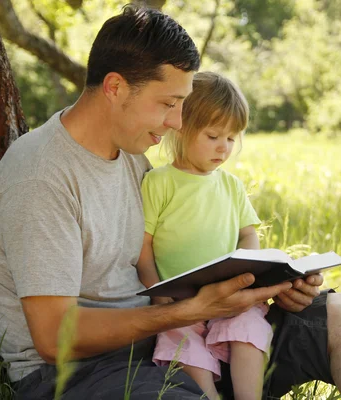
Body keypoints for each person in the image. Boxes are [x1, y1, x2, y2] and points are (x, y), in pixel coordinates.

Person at [0, 5, 341, 400]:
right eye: (168, 103)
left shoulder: (130, 156)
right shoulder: (40, 176)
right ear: (115, 87)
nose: (177, 123)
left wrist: (264, 285)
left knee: (334, 314)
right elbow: (54, 336)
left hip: (178, 335)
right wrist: (186, 312)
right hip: (81, 375)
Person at [136, 71, 271, 400]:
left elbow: (248, 235)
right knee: (180, 343)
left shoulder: (231, 186)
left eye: (231, 138)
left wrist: (251, 271)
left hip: (229, 297)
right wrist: (157, 293)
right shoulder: (160, 183)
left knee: (249, 330)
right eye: (213, 136)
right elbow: (144, 247)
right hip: (181, 303)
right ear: (182, 127)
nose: (224, 148)